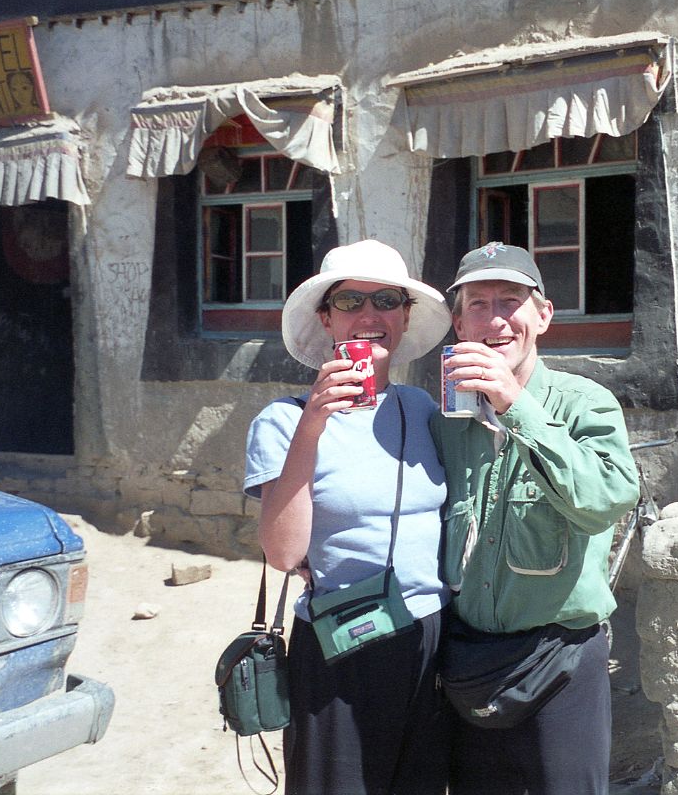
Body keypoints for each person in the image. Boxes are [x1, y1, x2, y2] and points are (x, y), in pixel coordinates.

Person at [243, 239, 452, 794]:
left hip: (429, 634)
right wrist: (314, 422)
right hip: (341, 643)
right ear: (326, 318)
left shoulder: (423, 409)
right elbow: (283, 554)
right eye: (350, 301)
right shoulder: (283, 422)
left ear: (405, 319)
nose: (369, 316)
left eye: (386, 300)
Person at [431, 242, 640, 794]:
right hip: (469, 658)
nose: (496, 319)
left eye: (511, 300)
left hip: (561, 658)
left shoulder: (584, 403)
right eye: (477, 304)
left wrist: (515, 406)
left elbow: (605, 499)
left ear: (542, 315)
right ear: (457, 323)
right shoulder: (445, 420)